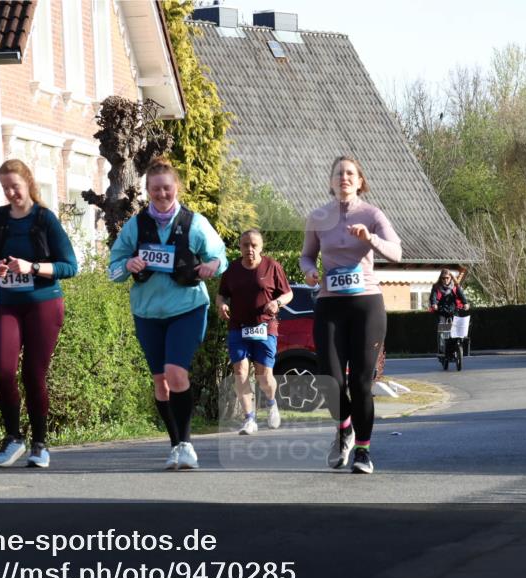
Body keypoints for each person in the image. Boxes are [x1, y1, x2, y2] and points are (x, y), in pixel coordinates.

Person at [108, 157, 228, 470]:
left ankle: (187, 444)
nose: (162, 194)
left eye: (167, 188)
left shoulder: (194, 222)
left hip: (187, 306)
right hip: (147, 311)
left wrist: (212, 266)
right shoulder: (136, 225)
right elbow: (114, 267)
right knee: (160, 382)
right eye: (156, 189)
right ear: (147, 190)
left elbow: (220, 256)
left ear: (176, 188)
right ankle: (176, 445)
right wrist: (127, 265)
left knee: (176, 372)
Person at [301, 156, 402, 474]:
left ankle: (362, 451)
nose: (344, 177)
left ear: (360, 181)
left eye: (350, 173)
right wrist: (308, 272)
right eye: (338, 173)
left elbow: (397, 252)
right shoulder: (318, 217)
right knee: (329, 379)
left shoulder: (372, 214)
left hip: (366, 305)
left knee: (360, 383)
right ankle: (344, 427)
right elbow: (307, 256)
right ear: (331, 182)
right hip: (330, 305)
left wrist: (369, 238)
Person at [0, 159, 78, 469]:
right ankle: (13, 438)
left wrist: (33, 267)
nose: (11, 193)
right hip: (8, 302)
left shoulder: (45, 219)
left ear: (28, 183)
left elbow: (70, 266)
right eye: (5, 187)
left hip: (43, 303)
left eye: (15, 187)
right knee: (2, 370)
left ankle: (40, 444)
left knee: (34, 375)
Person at [217, 229, 293, 435]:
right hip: (238, 328)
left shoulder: (272, 266)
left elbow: (288, 293)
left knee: (264, 376)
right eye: (245, 245)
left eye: (254, 245)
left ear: (261, 247)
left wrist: (277, 302)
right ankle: (249, 419)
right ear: (240, 247)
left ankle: (270, 402)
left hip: (265, 327)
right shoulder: (231, 270)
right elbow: (222, 295)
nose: (249, 249)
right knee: (240, 372)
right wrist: (222, 305)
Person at [428, 269, 470, 354]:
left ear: (450, 278)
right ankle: (442, 348)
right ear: (441, 278)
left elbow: (461, 296)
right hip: (441, 311)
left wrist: (465, 303)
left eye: (447, 278)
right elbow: (433, 297)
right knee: (443, 329)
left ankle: (457, 346)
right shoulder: (436, 287)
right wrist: (434, 304)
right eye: (443, 278)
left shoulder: (455, 287)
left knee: (458, 328)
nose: (445, 280)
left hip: (453, 310)